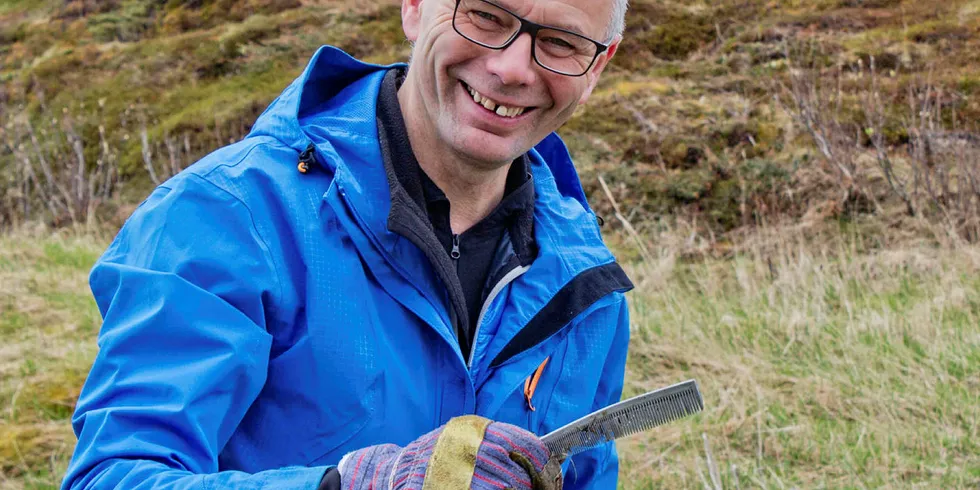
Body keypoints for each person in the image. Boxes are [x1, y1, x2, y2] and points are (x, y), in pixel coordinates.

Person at [61, 0, 632, 488]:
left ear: (598, 65)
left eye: (560, 43)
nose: (511, 69)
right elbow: (113, 474)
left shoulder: (584, 278)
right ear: (414, 6)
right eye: (483, 15)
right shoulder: (226, 217)